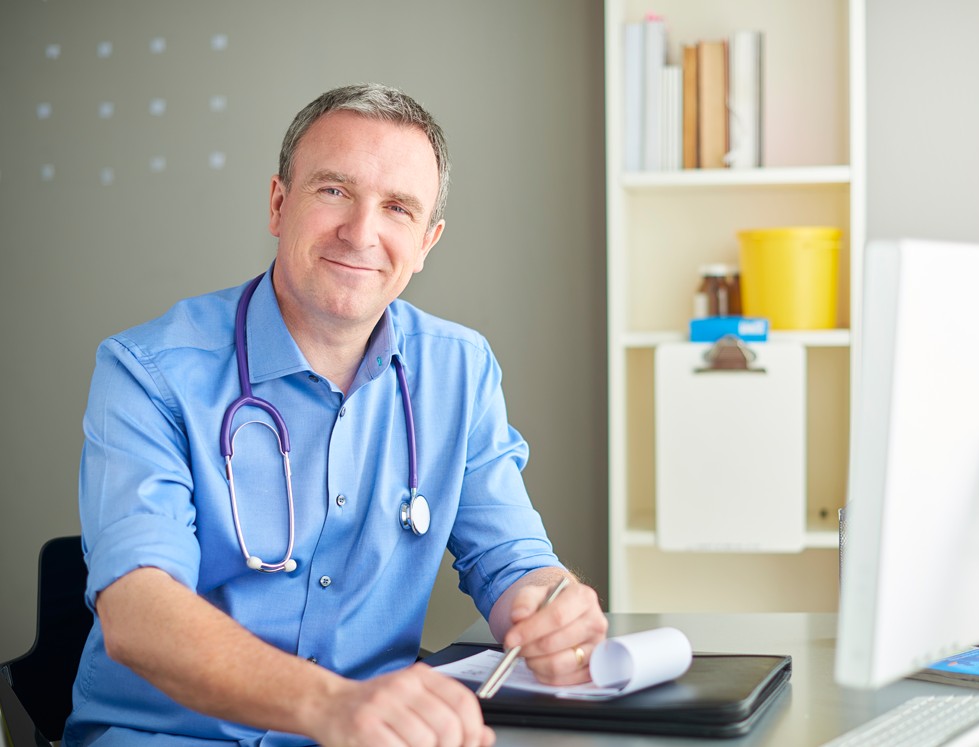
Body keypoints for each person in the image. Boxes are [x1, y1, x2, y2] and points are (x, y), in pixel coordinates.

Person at [64, 83, 608, 747]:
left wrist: (545, 606)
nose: (361, 232)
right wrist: (329, 706)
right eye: (333, 191)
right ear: (278, 203)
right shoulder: (147, 370)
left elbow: (511, 559)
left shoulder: (457, 371)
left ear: (427, 240)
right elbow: (137, 612)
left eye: (398, 208)